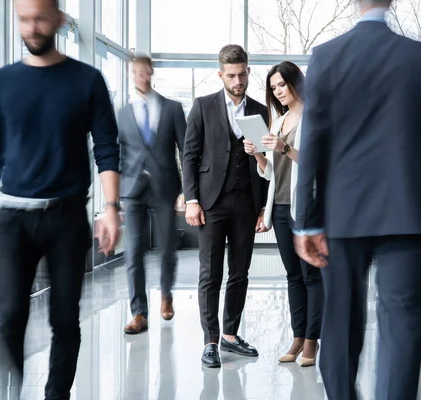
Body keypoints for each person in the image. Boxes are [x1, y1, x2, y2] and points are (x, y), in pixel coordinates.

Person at [293, 0, 421, 399]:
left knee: (339, 322)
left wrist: (306, 220)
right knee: (402, 325)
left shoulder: (327, 56)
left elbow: (313, 142)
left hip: (343, 214)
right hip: (409, 213)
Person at [0, 0, 121, 398]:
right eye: (23, 19)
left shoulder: (87, 80)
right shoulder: (3, 80)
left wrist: (111, 209)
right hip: (14, 219)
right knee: (8, 321)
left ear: (59, 20)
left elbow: (106, 148)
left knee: (65, 320)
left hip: (67, 219)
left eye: (39, 18)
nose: (31, 27)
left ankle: (57, 395)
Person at [182, 44, 268, 368]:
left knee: (240, 272)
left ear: (248, 72)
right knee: (210, 273)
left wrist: (264, 208)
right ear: (220, 74)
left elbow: (267, 165)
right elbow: (189, 156)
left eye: (242, 74)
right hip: (211, 202)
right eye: (231, 75)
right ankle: (210, 341)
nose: (237, 81)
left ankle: (230, 336)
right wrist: (191, 200)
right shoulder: (203, 106)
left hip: (247, 202)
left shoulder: (259, 111)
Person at [243, 61, 323, 367]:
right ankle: (298, 336)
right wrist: (259, 156)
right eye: (273, 87)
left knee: (310, 275)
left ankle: (312, 340)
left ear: (295, 82)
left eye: (282, 85)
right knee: (292, 276)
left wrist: (285, 148)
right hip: (279, 206)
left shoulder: (314, 116)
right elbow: (269, 174)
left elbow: (320, 165)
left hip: (307, 206)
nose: (278, 92)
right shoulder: (278, 121)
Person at [119, 54, 186, 334]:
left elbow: (186, 151)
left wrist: (185, 191)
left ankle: (167, 293)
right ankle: (139, 313)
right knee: (133, 252)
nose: (142, 78)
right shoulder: (122, 113)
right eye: (137, 74)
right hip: (132, 190)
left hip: (165, 188)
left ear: (151, 73)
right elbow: (117, 152)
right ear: (131, 75)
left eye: (146, 73)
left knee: (168, 247)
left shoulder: (172, 108)